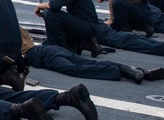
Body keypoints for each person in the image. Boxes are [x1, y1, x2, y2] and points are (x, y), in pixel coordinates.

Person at [20, 29, 163, 85]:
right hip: (50, 49)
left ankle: (121, 71)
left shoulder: (4, 33)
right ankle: (140, 71)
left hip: (40, 54)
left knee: (73, 69)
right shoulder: (13, 26)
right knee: (89, 62)